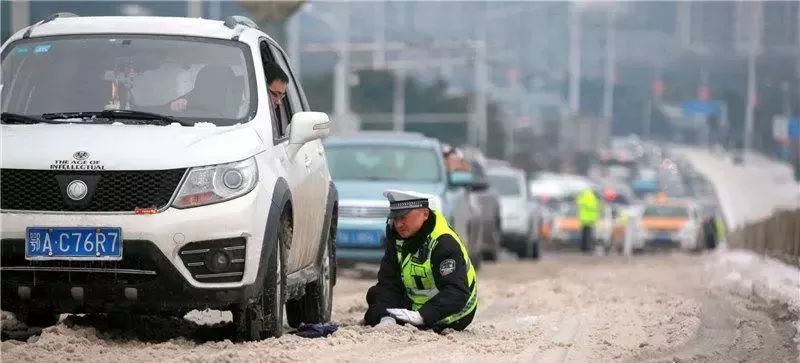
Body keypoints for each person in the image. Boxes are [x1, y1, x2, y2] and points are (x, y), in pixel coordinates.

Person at [364, 190, 477, 332]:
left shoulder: (443, 242)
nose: (399, 224)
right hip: (416, 304)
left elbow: (456, 293)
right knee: (376, 295)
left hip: (454, 314)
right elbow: (389, 282)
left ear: (425, 214)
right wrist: (386, 317)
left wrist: (421, 316)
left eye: (403, 217)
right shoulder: (397, 236)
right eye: (395, 218)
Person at [576, 188, 600, 253]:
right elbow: (595, 208)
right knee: (588, 235)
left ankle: (583, 248)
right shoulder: (592, 197)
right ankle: (587, 248)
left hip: (584, 218)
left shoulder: (583, 196)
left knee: (584, 234)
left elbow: (579, 204)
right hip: (590, 219)